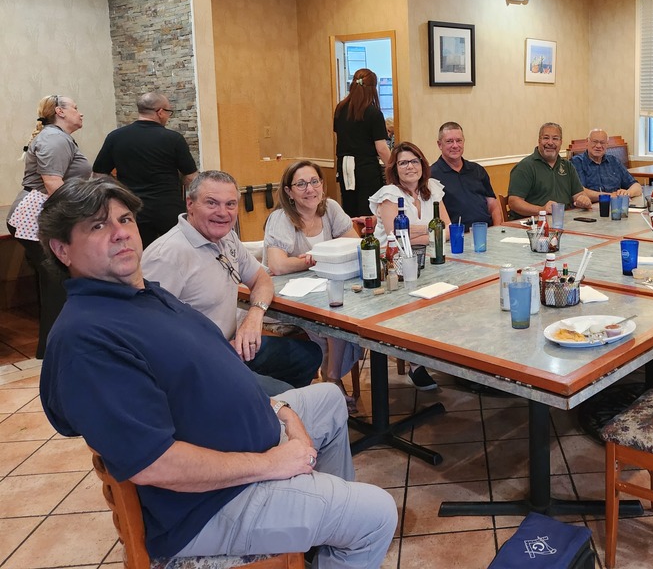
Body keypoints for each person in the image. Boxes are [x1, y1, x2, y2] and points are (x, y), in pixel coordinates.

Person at [37, 177, 396, 569]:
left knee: (328, 398)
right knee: (376, 515)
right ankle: (336, 523)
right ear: (62, 249)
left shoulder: (143, 295)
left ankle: (320, 538)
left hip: (245, 445)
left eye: (124, 219)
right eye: (97, 225)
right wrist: (274, 464)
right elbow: (155, 464)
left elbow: (211, 370)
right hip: (210, 502)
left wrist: (278, 410)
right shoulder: (87, 339)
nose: (120, 233)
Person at [142, 170, 322, 394]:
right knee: (283, 392)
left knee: (308, 355)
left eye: (230, 204)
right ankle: (270, 409)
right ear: (190, 204)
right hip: (197, 366)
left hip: (231, 348)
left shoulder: (227, 238)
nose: (222, 213)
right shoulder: (166, 256)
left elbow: (262, 279)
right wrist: (211, 353)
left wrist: (254, 316)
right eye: (211, 203)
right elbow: (151, 336)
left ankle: (271, 412)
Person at [263, 161, 362, 406]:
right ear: (289, 191)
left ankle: (331, 378)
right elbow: (278, 265)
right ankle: (333, 381)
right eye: (301, 184)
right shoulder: (281, 218)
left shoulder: (330, 209)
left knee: (345, 314)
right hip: (284, 300)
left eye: (314, 181)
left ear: (322, 184)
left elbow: (356, 245)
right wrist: (318, 259)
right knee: (335, 319)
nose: (310, 189)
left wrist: (313, 260)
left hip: (321, 291)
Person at [7, 95, 91, 358]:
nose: (80, 113)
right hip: (36, 217)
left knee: (58, 282)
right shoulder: (54, 138)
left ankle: (57, 347)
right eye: (75, 107)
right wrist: (85, 212)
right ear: (59, 112)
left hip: (45, 214)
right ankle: (55, 350)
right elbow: (53, 184)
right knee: (58, 283)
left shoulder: (59, 137)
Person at [368, 142, 450, 392]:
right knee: (416, 303)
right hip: (394, 267)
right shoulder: (388, 194)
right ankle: (416, 362)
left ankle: (441, 353)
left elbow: (447, 229)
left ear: (422, 164)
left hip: (430, 260)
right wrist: (431, 230)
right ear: (395, 168)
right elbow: (395, 236)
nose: (410, 167)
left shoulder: (432, 188)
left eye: (414, 161)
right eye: (403, 162)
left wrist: (418, 233)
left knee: (452, 296)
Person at [92, 91, 198, 246]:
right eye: (168, 112)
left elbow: (98, 175)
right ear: (160, 112)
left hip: (133, 209)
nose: (168, 116)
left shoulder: (115, 137)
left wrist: (119, 191)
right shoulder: (173, 139)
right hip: (168, 209)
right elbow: (191, 178)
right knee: (177, 251)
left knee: (138, 252)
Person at [334, 68, 391, 217]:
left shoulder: (340, 109)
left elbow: (340, 138)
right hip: (365, 168)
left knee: (350, 209)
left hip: (344, 166)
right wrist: (393, 168)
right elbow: (381, 148)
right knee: (369, 210)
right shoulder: (373, 113)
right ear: (373, 89)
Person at [507, 123, 593, 218]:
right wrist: (542, 210)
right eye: (546, 138)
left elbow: (578, 195)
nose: (550, 142)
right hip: (533, 223)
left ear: (561, 142)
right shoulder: (525, 167)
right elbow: (514, 202)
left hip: (565, 220)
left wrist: (584, 200)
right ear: (539, 140)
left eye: (555, 139)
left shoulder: (567, 166)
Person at [430, 122, 503, 227]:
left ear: (464, 142)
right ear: (439, 144)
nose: (455, 145)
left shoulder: (477, 170)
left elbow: (493, 206)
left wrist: (497, 230)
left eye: (459, 141)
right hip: (455, 234)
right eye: (449, 141)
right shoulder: (431, 175)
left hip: (487, 231)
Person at [571, 128, 643, 200]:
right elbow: (579, 191)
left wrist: (627, 193)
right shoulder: (576, 162)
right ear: (587, 142)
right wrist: (610, 196)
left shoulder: (614, 161)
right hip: (592, 205)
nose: (598, 146)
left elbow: (636, 186)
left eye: (602, 143)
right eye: (595, 142)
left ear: (607, 144)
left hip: (616, 203)